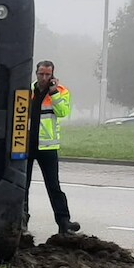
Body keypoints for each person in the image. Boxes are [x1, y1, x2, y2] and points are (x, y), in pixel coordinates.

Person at [27, 60, 80, 235]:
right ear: (36, 73)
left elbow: (63, 113)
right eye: (41, 74)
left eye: (47, 74)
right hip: (25, 145)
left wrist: (54, 93)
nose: (44, 77)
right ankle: (21, 220)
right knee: (21, 186)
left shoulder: (61, 91)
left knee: (54, 186)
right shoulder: (27, 90)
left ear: (53, 75)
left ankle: (64, 222)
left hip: (47, 147)